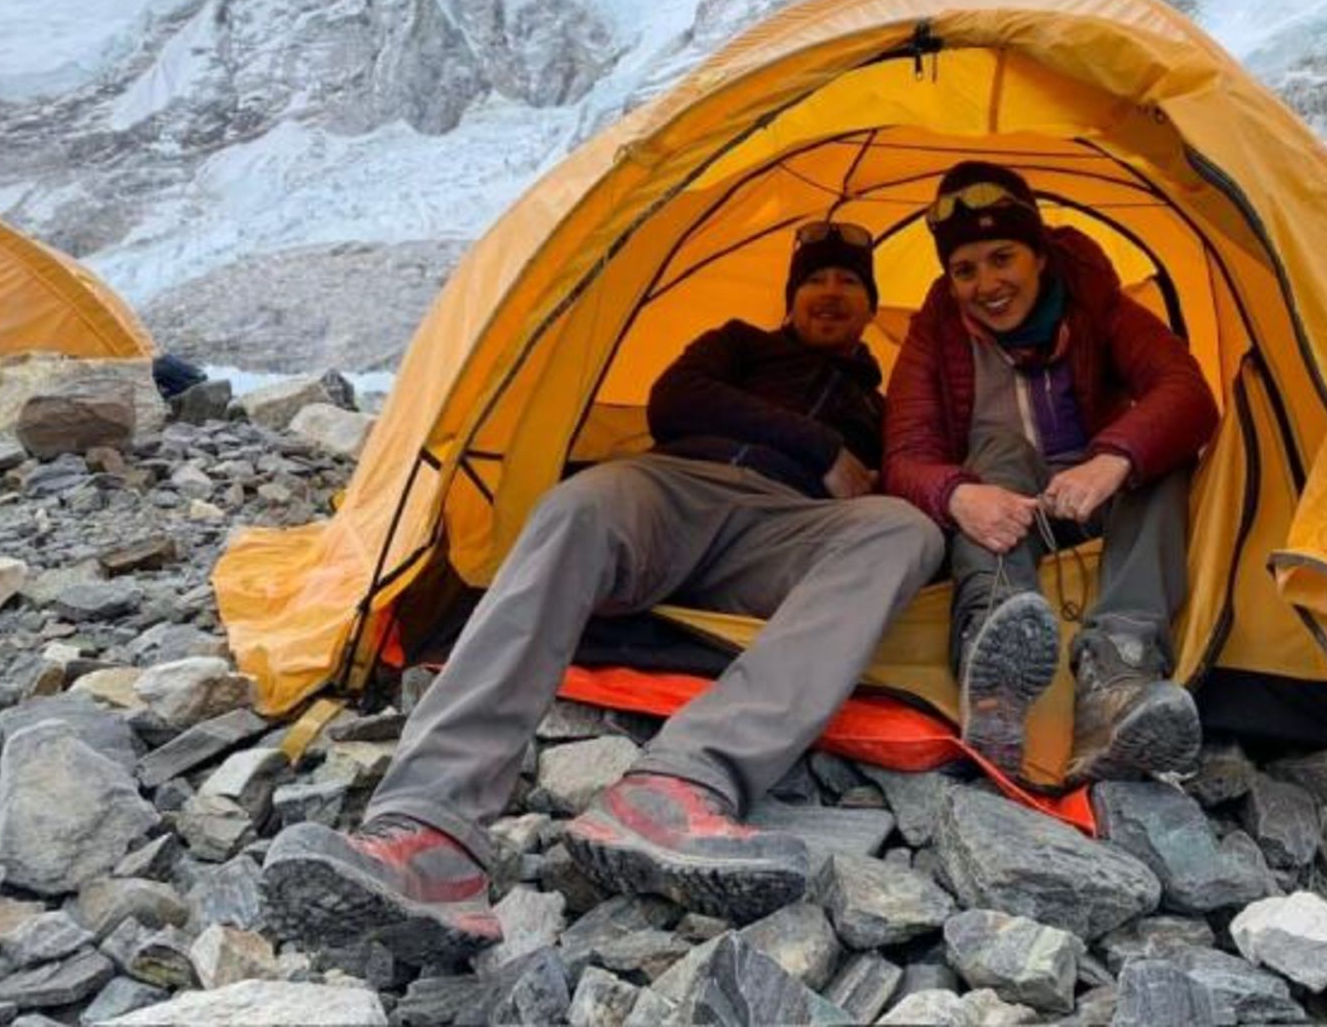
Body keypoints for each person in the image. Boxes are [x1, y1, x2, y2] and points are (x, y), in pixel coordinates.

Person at [264, 222, 944, 960]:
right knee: (578, 506)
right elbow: (676, 401)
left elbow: (912, 472)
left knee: (903, 530)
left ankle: (680, 786)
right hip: (674, 489)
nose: (832, 293)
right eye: (818, 280)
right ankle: (429, 830)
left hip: (787, 530)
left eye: (849, 283)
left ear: (872, 307)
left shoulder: (880, 406)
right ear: (792, 299)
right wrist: (822, 448)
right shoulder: (741, 344)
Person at [884, 161, 1219, 786]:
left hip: (1092, 498)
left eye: (1002, 257)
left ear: (1038, 254)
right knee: (998, 454)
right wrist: (958, 495)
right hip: (1008, 516)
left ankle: (1118, 671)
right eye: (965, 270)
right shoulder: (934, 335)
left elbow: (1188, 392)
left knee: (1162, 458)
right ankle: (993, 665)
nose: (987, 284)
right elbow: (904, 454)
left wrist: (1114, 457)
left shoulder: (1097, 303)